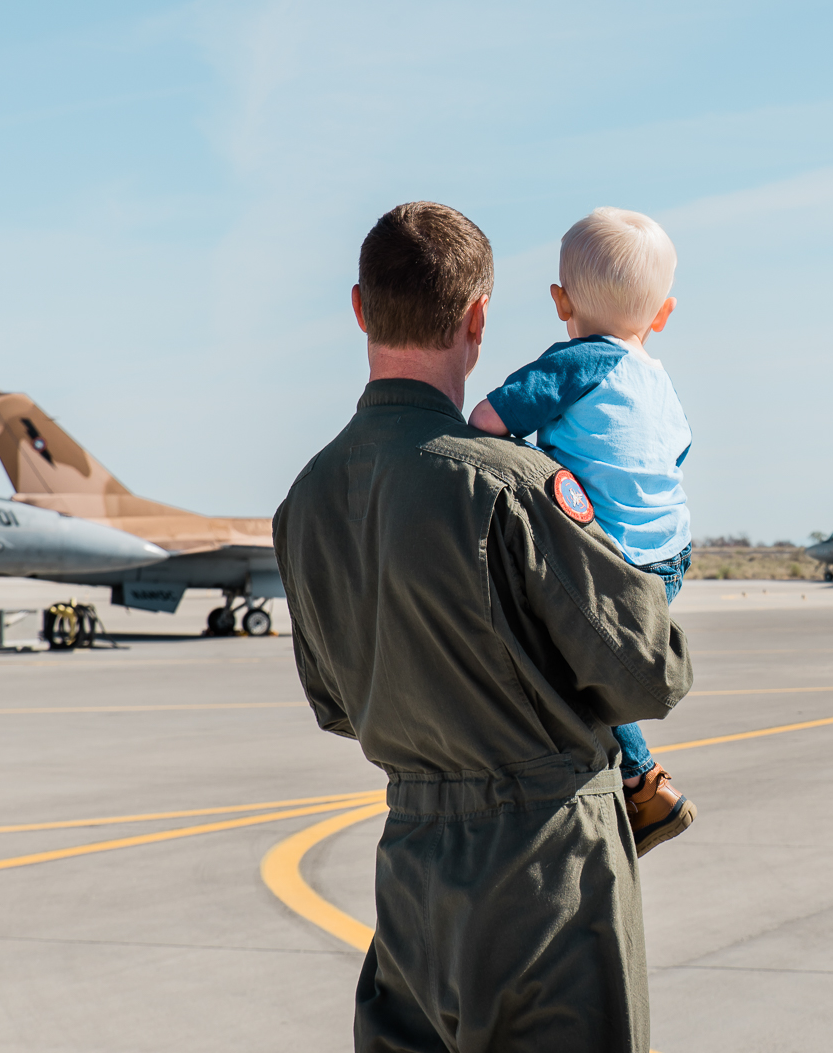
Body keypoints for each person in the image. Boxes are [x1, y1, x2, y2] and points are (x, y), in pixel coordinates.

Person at [274, 201, 691, 1053]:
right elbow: (651, 672)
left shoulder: (307, 501)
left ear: (361, 308)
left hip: (412, 884)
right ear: (478, 318)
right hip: (548, 878)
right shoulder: (513, 487)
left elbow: (337, 705)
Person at [468, 207, 695, 856]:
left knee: (568, 658)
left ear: (559, 300)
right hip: (672, 550)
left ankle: (643, 783)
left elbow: (487, 421)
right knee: (596, 661)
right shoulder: (657, 379)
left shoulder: (576, 363)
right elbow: (677, 455)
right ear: (663, 313)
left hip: (613, 558)